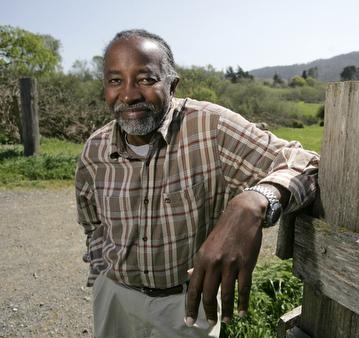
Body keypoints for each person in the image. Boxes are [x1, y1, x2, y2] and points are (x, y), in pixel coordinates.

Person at [75, 29, 319, 338]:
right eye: (115, 81)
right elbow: (92, 221)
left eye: (146, 79)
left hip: (187, 307)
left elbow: (306, 162)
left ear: (172, 84)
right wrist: (101, 277)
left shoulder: (210, 128)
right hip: (115, 298)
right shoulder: (94, 149)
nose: (128, 94)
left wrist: (256, 200)